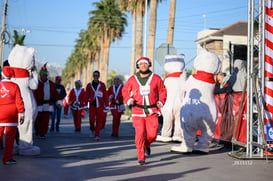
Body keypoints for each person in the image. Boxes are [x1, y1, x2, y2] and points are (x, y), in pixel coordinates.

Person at [122, 57, 167, 165]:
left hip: (152, 111)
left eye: (145, 63)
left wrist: (161, 102)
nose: (143, 65)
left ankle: (147, 144)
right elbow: (125, 91)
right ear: (138, 66)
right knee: (140, 133)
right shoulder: (132, 79)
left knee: (153, 134)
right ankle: (141, 156)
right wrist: (129, 100)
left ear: (149, 65)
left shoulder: (156, 78)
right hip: (137, 110)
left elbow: (162, 91)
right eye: (141, 64)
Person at [0, 66, 25, 165]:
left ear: (2, 74)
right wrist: (22, 113)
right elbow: (19, 101)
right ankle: (7, 158)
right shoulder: (15, 86)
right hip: (12, 115)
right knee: (9, 139)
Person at [34, 64, 62, 138]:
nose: (43, 76)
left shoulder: (51, 84)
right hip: (38, 104)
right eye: (42, 75)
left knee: (45, 120)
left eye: (44, 75)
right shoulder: (36, 83)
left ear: (46, 76)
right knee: (37, 120)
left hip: (48, 105)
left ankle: (42, 133)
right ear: (40, 75)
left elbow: (55, 94)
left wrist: (59, 101)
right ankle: (37, 130)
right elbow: (33, 94)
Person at [85, 70, 109, 141]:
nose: (96, 77)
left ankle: (97, 134)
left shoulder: (102, 85)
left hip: (100, 105)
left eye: (97, 75)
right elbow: (86, 95)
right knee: (91, 120)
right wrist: (85, 105)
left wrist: (106, 105)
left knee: (99, 120)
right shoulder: (89, 85)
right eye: (94, 75)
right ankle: (92, 129)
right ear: (93, 76)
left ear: (99, 76)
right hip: (92, 105)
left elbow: (105, 95)